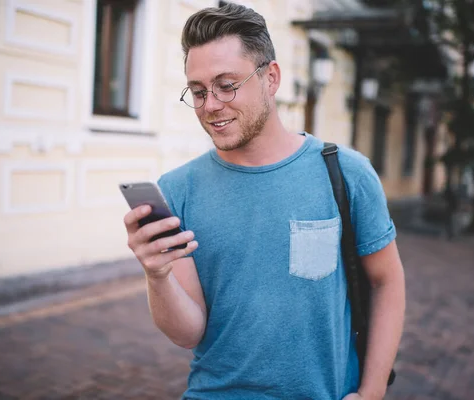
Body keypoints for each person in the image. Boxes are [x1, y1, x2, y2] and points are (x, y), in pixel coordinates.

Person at [123, 3, 406, 399]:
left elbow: (386, 281)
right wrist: (157, 275)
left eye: (227, 85)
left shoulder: (346, 173)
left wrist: (372, 392)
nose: (210, 106)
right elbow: (188, 333)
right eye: (199, 91)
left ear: (271, 78)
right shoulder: (177, 189)